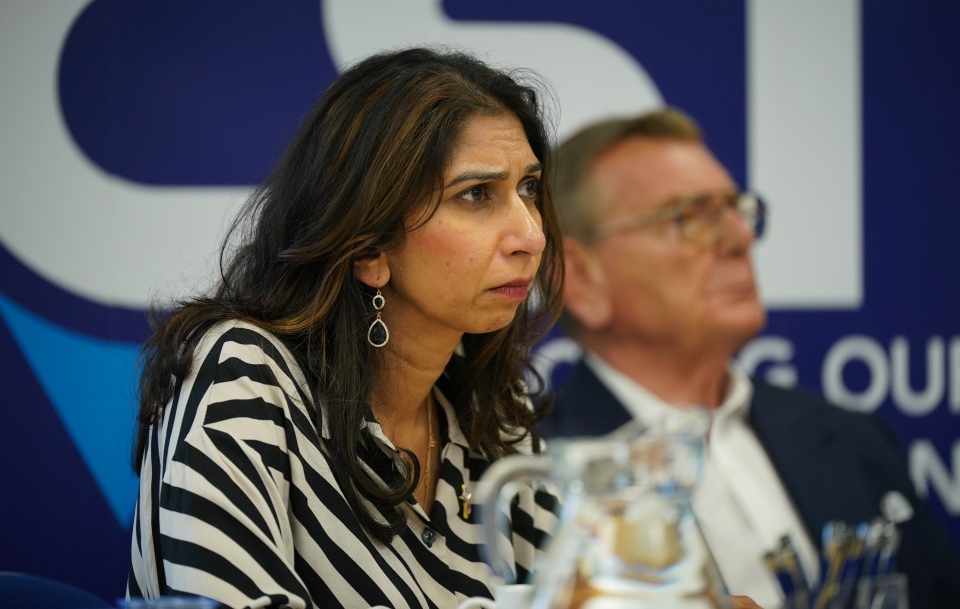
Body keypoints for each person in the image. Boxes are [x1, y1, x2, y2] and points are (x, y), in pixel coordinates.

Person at [126, 47, 567, 607]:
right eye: (476, 195)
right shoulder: (244, 376)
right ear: (369, 247)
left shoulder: (493, 413)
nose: (531, 235)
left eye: (528, 189)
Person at [540, 108, 960, 608]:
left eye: (736, 208)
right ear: (582, 278)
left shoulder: (852, 439)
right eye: (689, 216)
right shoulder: (539, 473)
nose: (741, 237)